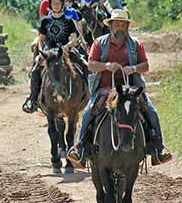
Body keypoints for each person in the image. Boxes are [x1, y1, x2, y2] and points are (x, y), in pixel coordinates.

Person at [67, 9, 172, 167]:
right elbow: (91, 65)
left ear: (127, 27)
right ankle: (80, 148)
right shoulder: (99, 43)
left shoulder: (135, 44)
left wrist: (133, 68)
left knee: (151, 110)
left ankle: (158, 148)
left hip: (130, 89)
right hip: (105, 88)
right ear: (111, 26)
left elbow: (146, 66)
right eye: (117, 23)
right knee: (89, 111)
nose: (119, 27)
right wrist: (107, 66)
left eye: (123, 24)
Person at [23, 0, 80, 114]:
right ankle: (32, 99)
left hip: (65, 51)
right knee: (35, 70)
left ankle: (88, 94)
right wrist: (41, 50)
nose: (56, 5)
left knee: (84, 64)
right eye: (54, 3)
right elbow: (41, 39)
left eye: (58, 3)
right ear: (50, 5)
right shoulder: (45, 22)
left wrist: (67, 46)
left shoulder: (69, 20)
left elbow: (74, 38)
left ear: (62, 5)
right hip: (49, 53)